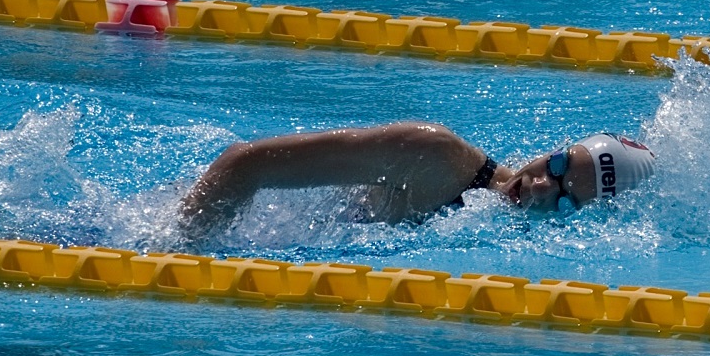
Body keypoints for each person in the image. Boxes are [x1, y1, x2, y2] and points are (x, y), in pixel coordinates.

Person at [180, 122, 656, 237]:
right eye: (554, 168)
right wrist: (178, 246)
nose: (536, 189)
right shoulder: (433, 156)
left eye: (564, 202)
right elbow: (245, 164)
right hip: (160, 231)